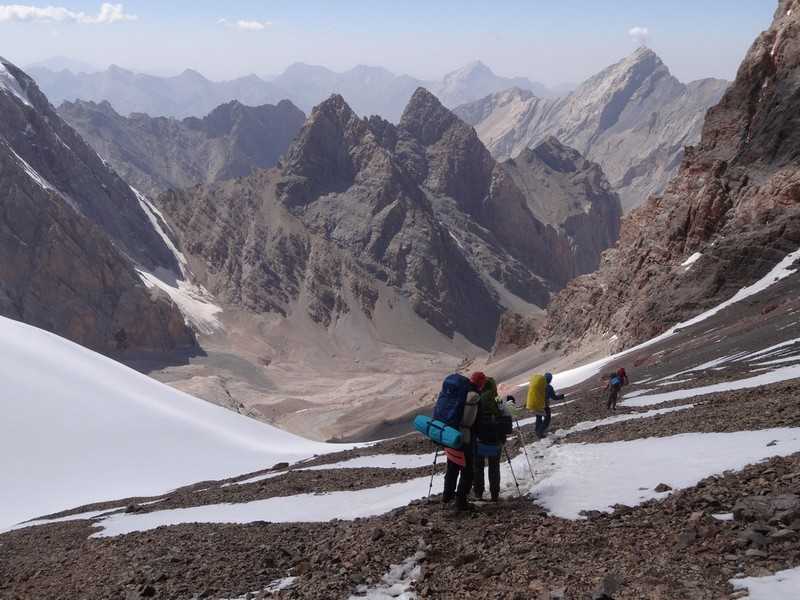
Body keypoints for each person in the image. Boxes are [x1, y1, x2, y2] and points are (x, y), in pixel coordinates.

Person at [442, 371, 483, 511]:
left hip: (450, 433)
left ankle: (447, 496)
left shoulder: (459, 392)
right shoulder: (475, 397)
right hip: (464, 437)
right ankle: (461, 501)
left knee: (452, 466)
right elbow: (476, 422)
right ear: (480, 384)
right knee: (467, 471)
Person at [473, 376, 504, 502]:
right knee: (494, 467)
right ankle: (494, 494)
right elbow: (508, 413)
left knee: (478, 467)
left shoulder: (477, 398)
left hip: (479, 439)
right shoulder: (497, 398)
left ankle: (478, 493)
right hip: (495, 439)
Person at [535, 372, 564, 438]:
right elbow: (554, 397)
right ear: (550, 379)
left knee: (539, 418)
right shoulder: (549, 387)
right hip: (544, 406)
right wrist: (561, 397)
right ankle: (540, 432)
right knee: (547, 419)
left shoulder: (538, 385)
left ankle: (537, 431)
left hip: (536, 405)